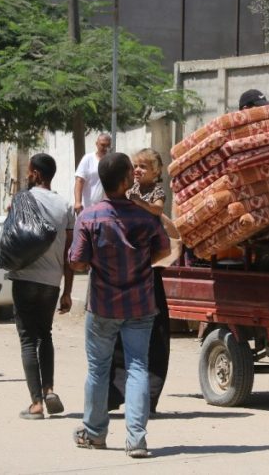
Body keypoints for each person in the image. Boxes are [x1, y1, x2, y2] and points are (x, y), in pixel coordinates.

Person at [69, 152, 170, 459]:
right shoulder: (145, 217)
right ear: (126, 180)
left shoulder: (89, 216)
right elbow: (163, 250)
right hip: (140, 304)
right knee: (138, 366)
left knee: (98, 369)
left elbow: (76, 262)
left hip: (102, 306)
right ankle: (136, 440)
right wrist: (140, 265)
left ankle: (95, 433)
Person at [8, 153, 76, 420]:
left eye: (29, 171)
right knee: (45, 335)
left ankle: (36, 403)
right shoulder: (65, 205)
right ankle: (48, 389)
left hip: (24, 277)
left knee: (27, 339)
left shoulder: (21, 199)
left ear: (35, 173)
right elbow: (70, 253)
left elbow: (11, 237)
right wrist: (68, 291)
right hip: (51, 281)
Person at [109, 148, 171, 413]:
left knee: (154, 337)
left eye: (144, 167)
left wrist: (139, 204)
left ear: (156, 172)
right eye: (135, 166)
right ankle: (116, 394)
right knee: (118, 337)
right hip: (126, 269)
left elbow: (157, 211)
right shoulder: (127, 191)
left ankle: (148, 398)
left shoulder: (154, 193)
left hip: (149, 269)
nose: (138, 171)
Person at [74, 134, 112, 215]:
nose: (105, 148)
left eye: (108, 145)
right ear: (96, 144)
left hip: (105, 209)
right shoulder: (88, 159)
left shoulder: (112, 161)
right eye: (102, 145)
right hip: (88, 208)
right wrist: (77, 202)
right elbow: (79, 180)